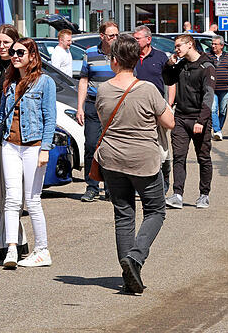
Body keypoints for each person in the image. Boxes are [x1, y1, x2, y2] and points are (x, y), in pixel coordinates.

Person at [95, 34, 174, 294]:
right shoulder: (148, 90)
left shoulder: (104, 89)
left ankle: (128, 271)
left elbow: (101, 115)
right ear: (136, 61)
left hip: (112, 159)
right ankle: (136, 258)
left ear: (114, 61)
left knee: (123, 213)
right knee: (155, 211)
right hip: (144, 160)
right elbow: (169, 122)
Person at [0, 38, 56, 268]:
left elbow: (49, 118)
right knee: (12, 199)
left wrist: (45, 149)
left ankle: (42, 250)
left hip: (33, 146)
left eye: (20, 52)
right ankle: (11, 249)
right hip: (10, 145)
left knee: (32, 200)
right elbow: (1, 116)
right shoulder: (9, 84)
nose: (15, 56)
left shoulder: (44, 82)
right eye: (12, 52)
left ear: (32, 55)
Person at [0, 23, 30, 261]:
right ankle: (7, 242)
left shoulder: (20, 68)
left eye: (6, 43)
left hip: (19, 137)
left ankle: (20, 239)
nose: (2, 47)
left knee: (18, 194)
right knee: (1, 194)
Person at [162, 35, 215, 210]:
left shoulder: (206, 66)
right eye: (175, 46)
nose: (176, 49)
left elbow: (208, 96)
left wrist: (201, 120)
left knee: (203, 158)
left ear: (190, 45)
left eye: (179, 46)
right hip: (181, 118)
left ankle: (204, 195)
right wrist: (169, 64)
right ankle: (177, 195)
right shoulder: (181, 65)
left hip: (199, 119)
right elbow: (168, 80)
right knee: (179, 156)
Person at [76, 21, 119, 202]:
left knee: (112, 147)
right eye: (111, 36)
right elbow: (84, 81)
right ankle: (92, 186)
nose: (115, 39)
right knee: (92, 145)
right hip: (93, 105)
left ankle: (111, 188)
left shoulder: (121, 53)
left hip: (115, 105)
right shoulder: (90, 53)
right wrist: (80, 107)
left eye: (117, 35)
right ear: (102, 36)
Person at [132, 25, 173, 194]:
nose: (135, 41)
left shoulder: (161, 57)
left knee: (161, 150)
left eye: (137, 39)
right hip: (136, 111)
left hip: (158, 109)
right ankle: (140, 185)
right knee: (139, 149)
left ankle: (164, 182)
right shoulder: (131, 57)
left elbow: (171, 82)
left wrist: (168, 105)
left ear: (148, 39)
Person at [206, 36, 228, 141]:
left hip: (225, 88)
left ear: (222, 46)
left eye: (215, 44)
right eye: (212, 44)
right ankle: (217, 131)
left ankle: (219, 129)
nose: (213, 46)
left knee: (222, 111)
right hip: (212, 88)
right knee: (213, 109)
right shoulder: (208, 55)